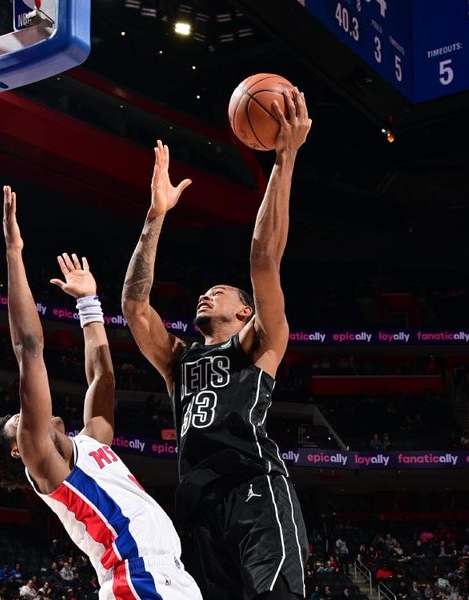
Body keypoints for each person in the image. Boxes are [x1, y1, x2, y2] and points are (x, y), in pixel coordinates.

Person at [122, 89, 311, 600]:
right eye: (206, 292)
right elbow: (135, 308)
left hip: (253, 486)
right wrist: (155, 215)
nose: (206, 293)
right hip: (198, 505)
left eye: (220, 292)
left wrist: (284, 158)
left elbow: (263, 259)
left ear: (245, 311)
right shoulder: (179, 360)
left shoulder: (261, 342)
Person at [0, 186, 201, 600]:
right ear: (20, 449)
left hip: (169, 577)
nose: (29, 415)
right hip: (136, 578)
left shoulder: (91, 442)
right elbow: (29, 348)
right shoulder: (44, 463)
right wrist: (14, 253)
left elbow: (104, 378)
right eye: (21, 421)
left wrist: (88, 303)